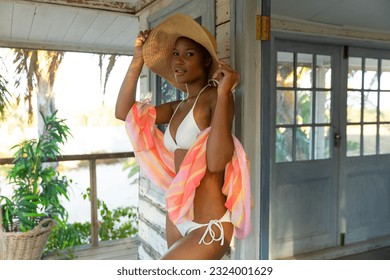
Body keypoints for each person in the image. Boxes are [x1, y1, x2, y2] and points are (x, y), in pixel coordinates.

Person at [115, 14, 251, 260]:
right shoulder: (177, 107)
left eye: (189, 54)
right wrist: (137, 60)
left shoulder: (214, 98)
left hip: (209, 225)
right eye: (175, 54)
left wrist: (223, 94)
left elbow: (218, 162)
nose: (179, 60)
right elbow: (125, 113)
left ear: (205, 60)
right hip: (178, 216)